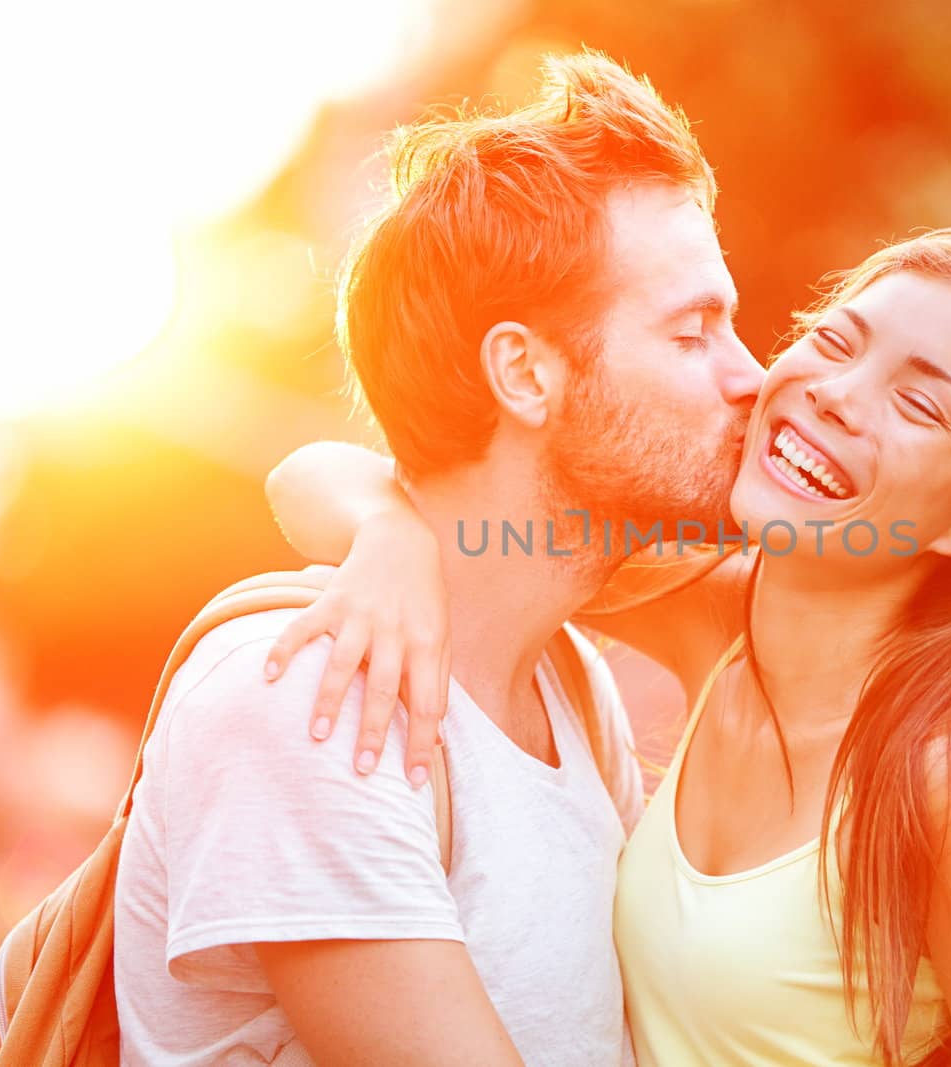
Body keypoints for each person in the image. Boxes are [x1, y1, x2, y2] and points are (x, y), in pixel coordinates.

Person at [266, 225, 951, 1064]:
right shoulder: (714, 621)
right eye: (836, 339)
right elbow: (315, 478)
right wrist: (387, 535)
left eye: (917, 402)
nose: (837, 392)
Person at [111, 51, 763, 1066]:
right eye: (693, 332)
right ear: (525, 373)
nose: (751, 376)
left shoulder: (568, 684)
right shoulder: (315, 696)